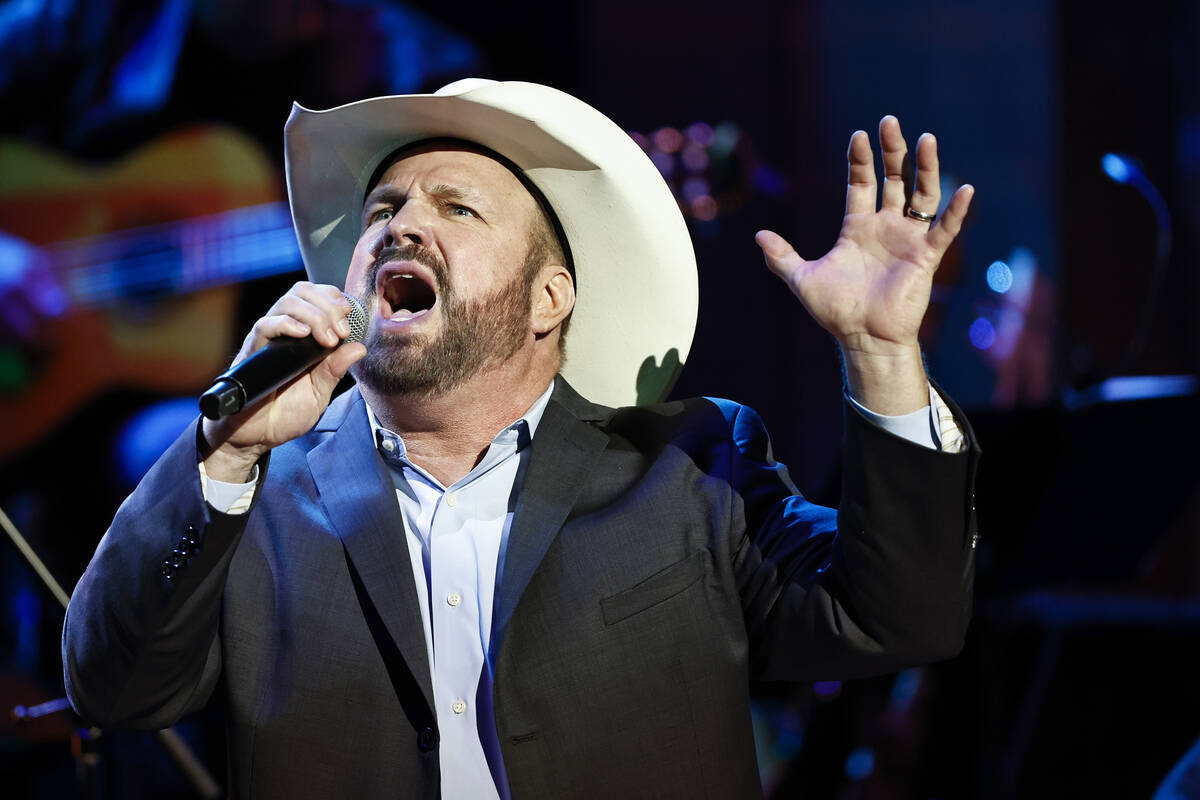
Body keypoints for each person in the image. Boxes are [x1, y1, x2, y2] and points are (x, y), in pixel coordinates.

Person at [62, 79, 979, 799]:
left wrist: (879, 352)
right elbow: (114, 688)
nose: (403, 225)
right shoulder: (255, 497)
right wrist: (223, 456)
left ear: (550, 300)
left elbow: (898, 615)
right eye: (382, 211)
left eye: (456, 209)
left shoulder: (691, 467)